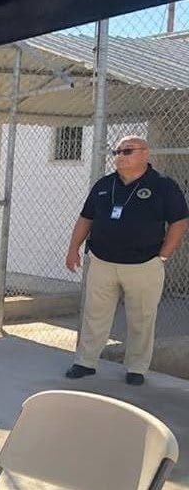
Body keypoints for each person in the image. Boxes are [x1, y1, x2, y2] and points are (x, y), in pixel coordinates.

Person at [65, 136, 188, 386]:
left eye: (127, 151)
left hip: (144, 264)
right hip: (102, 261)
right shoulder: (104, 184)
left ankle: (136, 368)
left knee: (142, 317)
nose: (120, 156)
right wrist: (73, 248)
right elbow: (86, 218)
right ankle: (86, 362)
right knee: (94, 314)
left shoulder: (163, 186)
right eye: (117, 151)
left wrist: (163, 255)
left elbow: (179, 221)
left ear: (145, 154)